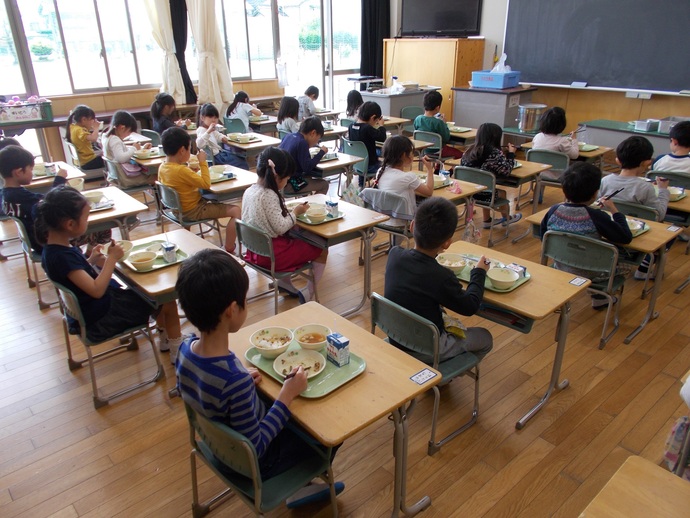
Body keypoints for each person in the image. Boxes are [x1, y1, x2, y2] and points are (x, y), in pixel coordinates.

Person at [175, 249, 344, 502]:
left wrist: (241, 378)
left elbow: (204, 389)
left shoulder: (185, 349)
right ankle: (298, 487)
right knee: (329, 427)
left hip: (216, 447)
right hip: (256, 465)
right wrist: (286, 395)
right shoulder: (234, 382)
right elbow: (258, 446)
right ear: (232, 310)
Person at [35, 187, 184, 355]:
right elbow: (97, 290)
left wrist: (91, 260)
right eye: (86, 217)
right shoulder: (62, 257)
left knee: (150, 294)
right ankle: (176, 351)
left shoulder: (53, 249)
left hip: (90, 312)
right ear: (70, 224)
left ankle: (165, 339)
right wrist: (111, 259)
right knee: (166, 299)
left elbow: (75, 275)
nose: (88, 220)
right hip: (101, 319)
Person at [384, 197, 493, 364]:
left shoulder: (394, 254)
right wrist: (479, 272)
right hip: (427, 347)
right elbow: (470, 306)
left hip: (395, 336)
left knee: (439, 310)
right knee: (485, 338)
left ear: (412, 226)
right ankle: (439, 374)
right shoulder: (441, 276)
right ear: (447, 243)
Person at [540, 162, 633, 309]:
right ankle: (599, 298)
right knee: (627, 263)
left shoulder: (554, 210)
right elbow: (625, 237)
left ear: (564, 190)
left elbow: (543, 237)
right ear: (596, 193)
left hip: (561, 264)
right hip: (596, 271)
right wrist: (614, 210)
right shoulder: (597, 216)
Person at [241, 147, 328, 304]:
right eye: (287, 179)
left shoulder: (250, 190)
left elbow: (265, 217)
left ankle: (285, 283)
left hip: (255, 251)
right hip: (272, 256)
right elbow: (280, 227)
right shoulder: (269, 195)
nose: (287, 182)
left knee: (295, 234)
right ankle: (309, 293)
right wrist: (296, 213)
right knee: (321, 249)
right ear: (277, 177)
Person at [157, 127, 240, 254]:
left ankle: (185, 242)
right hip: (193, 210)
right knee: (236, 210)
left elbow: (179, 182)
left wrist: (191, 171)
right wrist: (202, 162)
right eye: (189, 149)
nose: (190, 152)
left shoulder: (163, 166)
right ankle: (229, 248)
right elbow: (206, 184)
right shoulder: (181, 170)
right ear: (182, 150)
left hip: (177, 210)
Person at [601, 136, 670, 280]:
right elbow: (660, 214)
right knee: (670, 235)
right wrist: (663, 191)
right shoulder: (645, 188)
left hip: (608, 235)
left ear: (617, 160)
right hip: (635, 237)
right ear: (647, 162)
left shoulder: (605, 181)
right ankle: (644, 267)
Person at [1, 144, 67, 252]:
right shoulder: (20, 196)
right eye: (30, 169)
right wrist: (59, 180)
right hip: (46, 242)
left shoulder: (5, 194)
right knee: (91, 230)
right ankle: (86, 262)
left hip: (31, 241)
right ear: (18, 172)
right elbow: (51, 201)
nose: (32, 173)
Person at [460, 122, 522, 228]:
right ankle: (507, 218)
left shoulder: (468, 150)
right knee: (500, 192)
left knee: (487, 185)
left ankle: (487, 220)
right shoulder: (494, 153)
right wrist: (511, 153)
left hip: (467, 193)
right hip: (482, 194)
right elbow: (506, 171)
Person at [373, 135, 434, 226]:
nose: (413, 155)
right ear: (404, 155)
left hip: (384, 218)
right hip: (405, 222)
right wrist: (429, 169)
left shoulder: (380, 171)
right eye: (411, 152)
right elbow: (429, 191)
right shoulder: (408, 177)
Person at [101, 110, 154, 187]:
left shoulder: (106, 137)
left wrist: (142, 148)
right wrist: (134, 148)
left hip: (117, 177)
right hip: (125, 179)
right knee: (156, 177)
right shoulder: (115, 139)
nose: (129, 135)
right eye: (129, 132)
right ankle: (159, 198)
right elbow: (121, 158)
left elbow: (121, 152)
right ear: (122, 128)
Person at [278, 117, 330, 195]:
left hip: (279, 181)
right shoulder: (302, 143)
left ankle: (306, 203)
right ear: (313, 133)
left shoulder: (289, 136)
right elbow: (307, 168)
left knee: (308, 178)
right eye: (318, 139)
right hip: (290, 183)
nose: (316, 143)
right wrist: (321, 152)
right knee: (324, 184)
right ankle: (314, 205)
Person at [194, 103, 248, 169]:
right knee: (241, 162)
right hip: (216, 158)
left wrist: (223, 138)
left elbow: (218, 135)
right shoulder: (201, 130)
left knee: (240, 158)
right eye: (210, 117)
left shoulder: (211, 129)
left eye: (216, 117)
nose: (213, 120)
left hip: (220, 155)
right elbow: (199, 144)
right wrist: (208, 131)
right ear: (202, 118)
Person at [412, 90, 463, 160]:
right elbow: (446, 138)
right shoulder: (438, 122)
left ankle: (437, 169)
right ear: (437, 107)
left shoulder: (418, 119)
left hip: (423, 149)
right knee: (462, 154)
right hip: (438, 150)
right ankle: (450, 170)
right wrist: (444, 123)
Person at [347, 101, 387, 187]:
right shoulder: (367, 128)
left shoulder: (351, 126)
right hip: (370, 165)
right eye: (376, 121)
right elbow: (382, 137)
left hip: (356, 164)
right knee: (387, 167)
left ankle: (362, 185)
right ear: (373, 117)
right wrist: (381, 126)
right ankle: (378, 187)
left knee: (364, 156)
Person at [65, 104, 104, 170]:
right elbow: (94, 138)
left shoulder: (73, 127)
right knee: (111, 158)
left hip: (82, 161)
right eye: (92, 119)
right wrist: (96, 128)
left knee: (103, 154)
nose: (93, 122)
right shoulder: (80, 130)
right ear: (84, 119)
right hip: (88, 162)